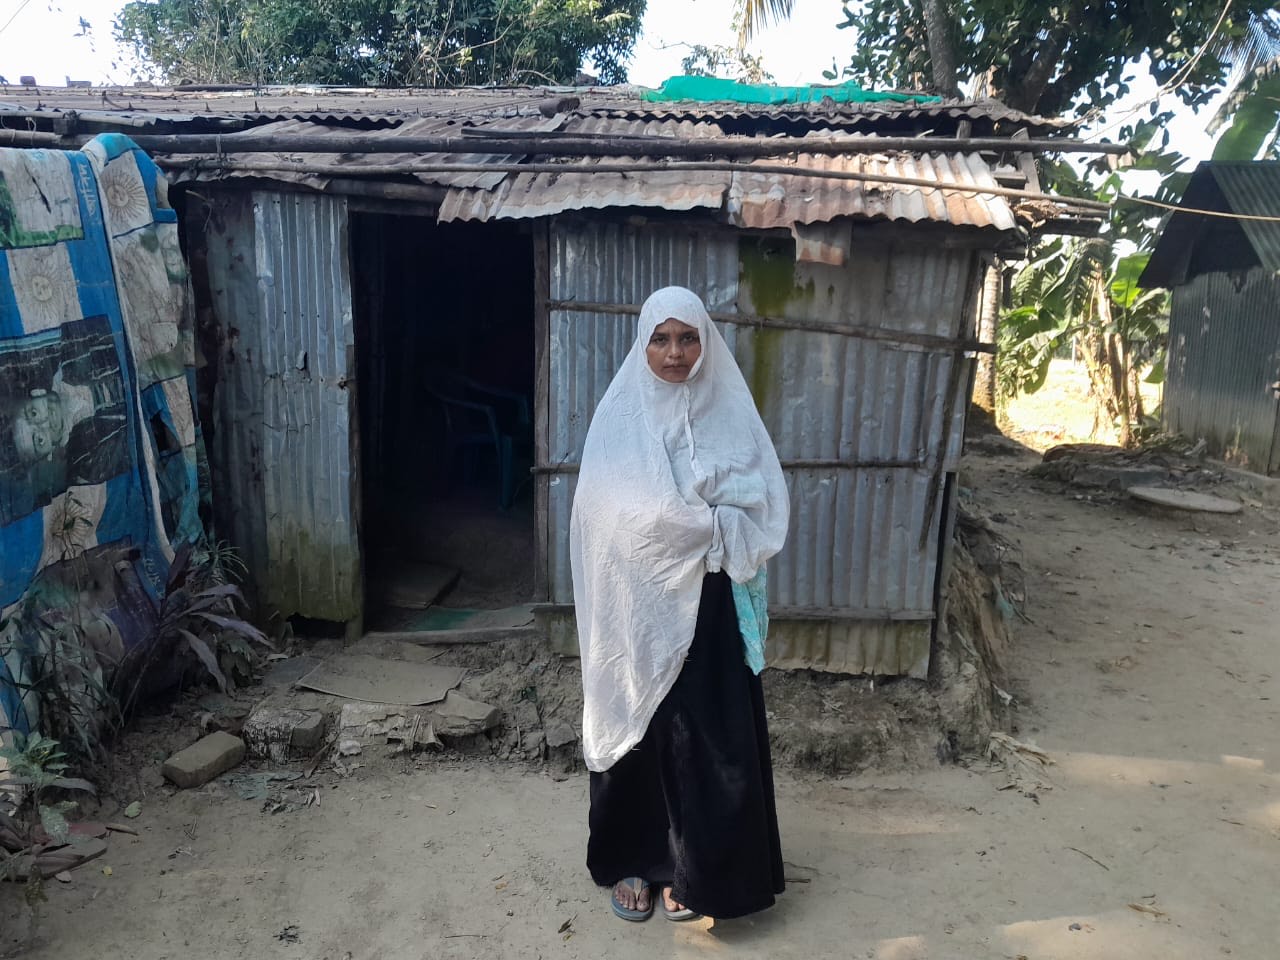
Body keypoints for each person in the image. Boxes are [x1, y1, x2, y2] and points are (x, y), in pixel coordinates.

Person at [570, 285, 791, 923]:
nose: (675, 353)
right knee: (639, 727)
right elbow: (603, 516)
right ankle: (635, 861)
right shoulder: (619, 421)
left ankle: (701, 875)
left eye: (688, 338)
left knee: (710, 734)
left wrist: (701, 525)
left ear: (705, 343)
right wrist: (697, 520)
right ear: (643, 346)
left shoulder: (731, 413)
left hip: (710, 603)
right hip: (635, 606)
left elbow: (763, 501)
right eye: (662, 340)